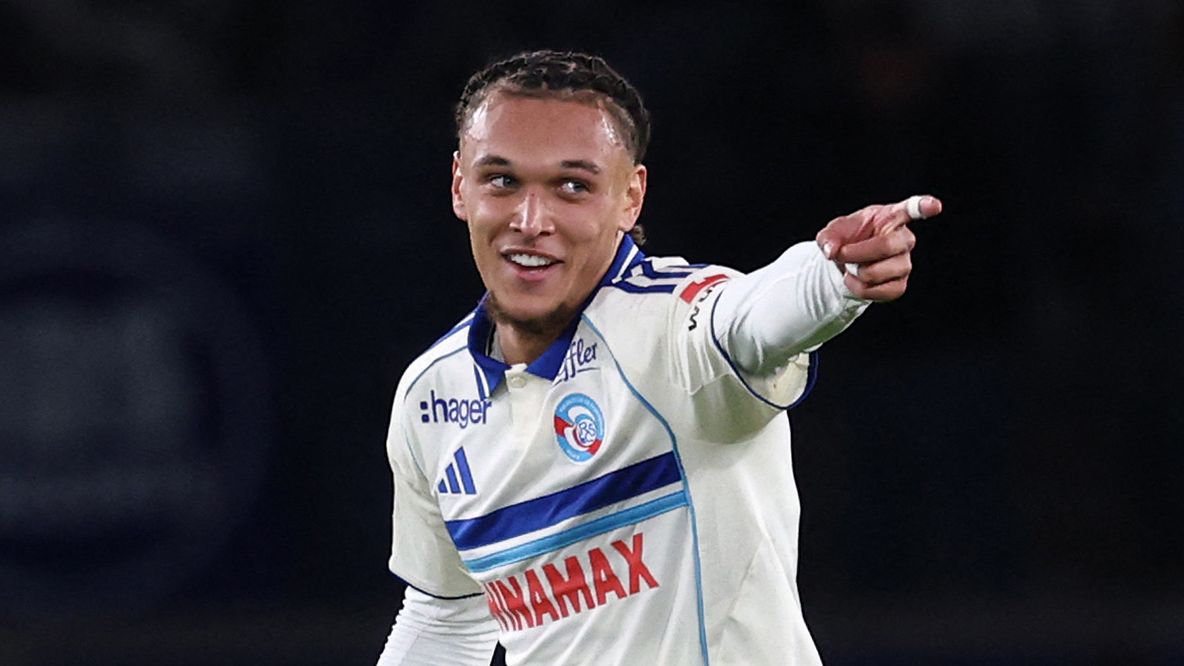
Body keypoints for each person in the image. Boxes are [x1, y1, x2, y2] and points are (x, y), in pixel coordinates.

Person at [376, 50, 942, 666]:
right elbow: (445, 619)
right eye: (503, 181)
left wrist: (833, 279)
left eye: (572, 186)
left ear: (630, 197)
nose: (531, 220)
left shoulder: (674, 331)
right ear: (460, 185)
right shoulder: (430, 397)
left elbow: (752, 319)